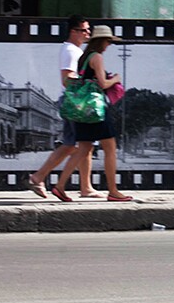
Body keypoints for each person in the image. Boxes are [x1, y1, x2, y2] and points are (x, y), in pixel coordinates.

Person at [51, 25, 132, 202]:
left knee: (84, 148)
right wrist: (116, 79)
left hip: (82, 111)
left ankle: (60, 185)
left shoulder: (84, 58)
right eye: (108, 41)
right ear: (101, 41)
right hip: (96, 110)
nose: (109, 44)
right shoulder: (97, 57)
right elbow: (103, 84)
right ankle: (113, 191)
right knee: (110, 149)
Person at [27, 15, 99, 199]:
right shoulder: (70, 51)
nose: (88, 33)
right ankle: (38, 177)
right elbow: (67, 79)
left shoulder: (75, 50)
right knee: (73, 144)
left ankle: (86, 187)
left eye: (89, 29)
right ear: (73, 32)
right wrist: (91, 83)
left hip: (76, 100)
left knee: (84, 145)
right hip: (76, 101)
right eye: (84, 30)